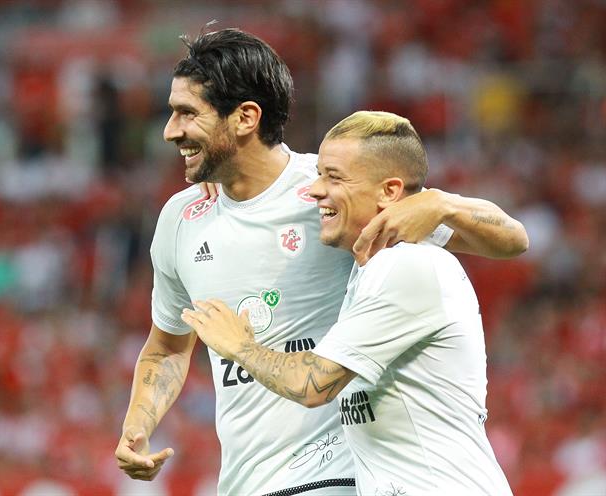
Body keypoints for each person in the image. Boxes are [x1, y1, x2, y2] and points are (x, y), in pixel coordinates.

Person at [115, 29, 527, 496]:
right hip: (245, 481)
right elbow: (168, 347)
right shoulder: (181, 220)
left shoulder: (334, 191)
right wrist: (138, 424)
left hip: (339, 474)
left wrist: (442, 204)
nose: (170, 130)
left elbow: (510, 239)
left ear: (246, 117)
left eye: (187, 113)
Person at [182, 111, 513, 495]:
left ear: (389, 192)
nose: (314, 190)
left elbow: (313, 385)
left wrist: (240, 345)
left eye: (333, 177)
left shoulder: (406, 266)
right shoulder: (371, 268)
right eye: (319, 173)